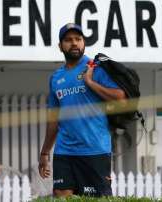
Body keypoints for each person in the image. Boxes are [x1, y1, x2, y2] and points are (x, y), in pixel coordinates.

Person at [38, 23, 126, 197]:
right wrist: (45, 152)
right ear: (60, 46)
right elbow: (54, 119)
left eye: (78, 39)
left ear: (84, 43)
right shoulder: (56, 78)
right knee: (61, 196)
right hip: (65, 151)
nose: (74, 43)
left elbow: (121, 99)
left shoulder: (95, 67)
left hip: (95, 149)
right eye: (69, 40)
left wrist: (90, 83)